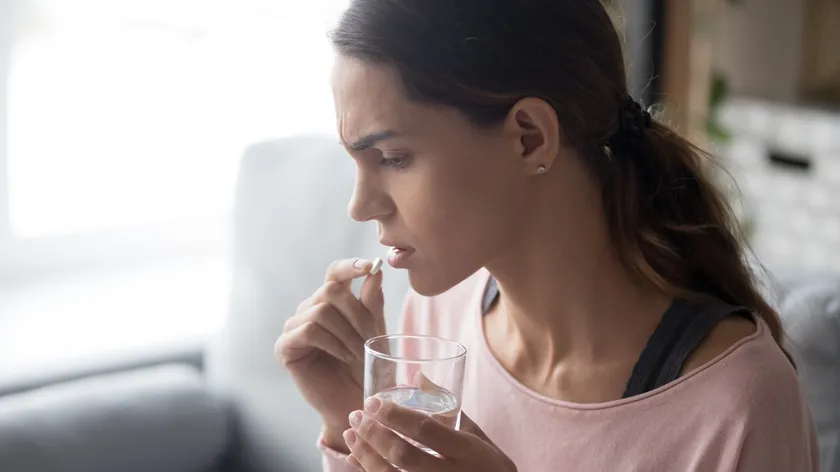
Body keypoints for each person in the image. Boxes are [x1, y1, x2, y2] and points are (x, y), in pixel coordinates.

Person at [274, 1, 820, 471]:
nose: (358, 205)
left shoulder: (738, 404)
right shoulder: (438, 326)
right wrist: (347, 415)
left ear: (529, 138)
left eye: (394, 157)